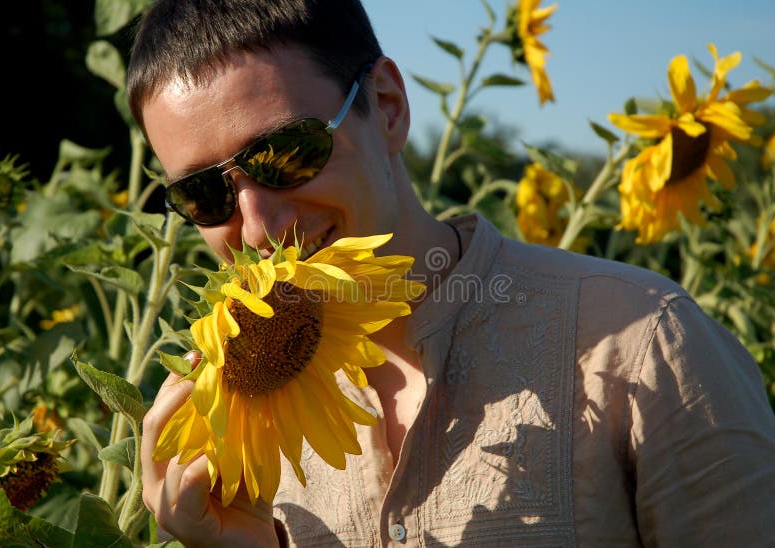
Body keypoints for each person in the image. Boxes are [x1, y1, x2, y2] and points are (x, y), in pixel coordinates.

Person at [128, 1, 775, 546]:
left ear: (386, 106)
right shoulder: (234, 440)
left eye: (288, 153)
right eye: (204, 196)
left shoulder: (643, 343)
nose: (260, 226)